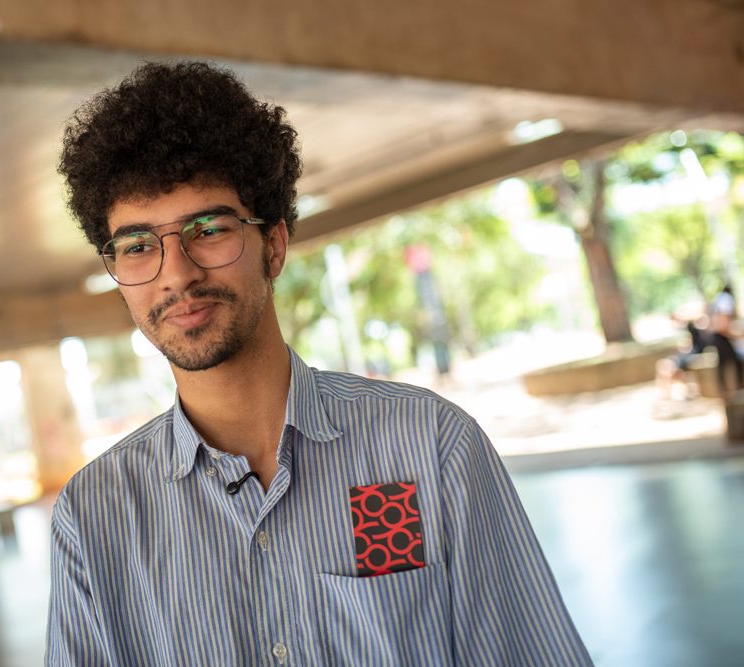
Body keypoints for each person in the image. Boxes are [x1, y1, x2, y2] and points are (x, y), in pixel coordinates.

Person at [47, 61, 592, 666]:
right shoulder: (93, 516)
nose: (176, 273)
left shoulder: (429, 446)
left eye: (209, 229)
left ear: (273, 245)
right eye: (139, 245)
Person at [711, 285, 743, 397]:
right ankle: (737, 390)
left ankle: (726, 391)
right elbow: (722, 325)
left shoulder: (719, 298)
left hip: (719, 336)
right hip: (722, 336)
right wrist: (737, 335)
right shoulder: (726, 299)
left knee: (723, 364)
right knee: (735, 362)